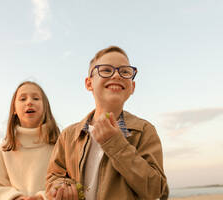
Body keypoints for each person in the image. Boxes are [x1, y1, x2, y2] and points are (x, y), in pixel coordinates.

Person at [45, 46, 169, 200]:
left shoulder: (144, 131)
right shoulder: (68, 135)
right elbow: (54, 177)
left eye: (125, 72)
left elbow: (157, 191)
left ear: (132, 87)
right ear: (89, 83)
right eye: (106, 70)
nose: (117, 75)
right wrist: (62, 187)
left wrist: (116, 144)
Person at [0, 81, 60, 200]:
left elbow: (69, 182)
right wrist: (16, 197)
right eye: (23, 99)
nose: (29, 102)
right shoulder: (5, 148)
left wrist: (42, 197)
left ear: (45, 107)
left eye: (35, 98)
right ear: (14, 109)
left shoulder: (59, 144)